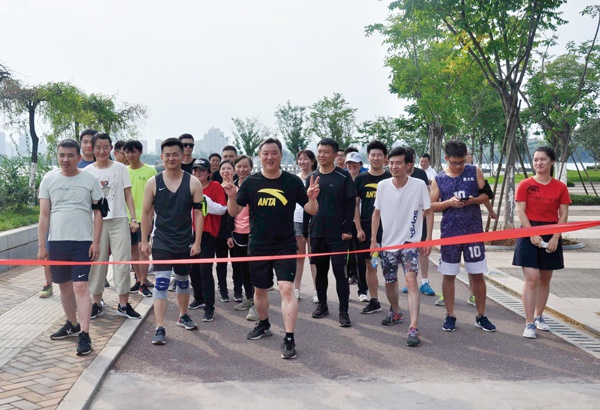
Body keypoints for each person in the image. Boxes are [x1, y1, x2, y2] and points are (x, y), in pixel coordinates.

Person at [223, 137, 319, 359]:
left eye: (274, 153)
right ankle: (264, 323)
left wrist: (313, 199)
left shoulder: (292, 182)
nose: (270, 157)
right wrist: (231, 196)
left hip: (285, 245)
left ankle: (289, 338)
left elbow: (311, 210)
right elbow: (233, 211)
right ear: (260, 157)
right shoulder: (250, 182)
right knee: (260, 290)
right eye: (265, 153)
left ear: (281, 156)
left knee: (286, 289)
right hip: (258, 245)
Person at [38, 139, 103, 355]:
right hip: (57, 242)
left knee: (81, 287)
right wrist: (42, 246)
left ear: (79, 157)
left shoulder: (91, 179)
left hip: (82, 242)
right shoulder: (48, 180)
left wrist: (95, 242)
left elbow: (99, 213)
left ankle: (84, 333)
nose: (65, 159)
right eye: (62, 155)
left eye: (70, 155)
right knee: (64, 286)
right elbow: (44, 215)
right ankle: (72, 324)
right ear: (57, 156)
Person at [141, 138, 204, 345]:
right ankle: (159, 327)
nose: (171, 158)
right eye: (167, 155)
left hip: (185, 241)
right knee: (161, 282)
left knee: (183, 281)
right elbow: (146, 213)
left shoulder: (193, 182)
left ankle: (183, 315)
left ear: (182, 156)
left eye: (175, 154)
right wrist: (144, 240)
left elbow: (199, 213)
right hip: (162, 240)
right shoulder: (153, 182)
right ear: (162, 157)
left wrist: (197, 242)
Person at [430, 140, 496, 333]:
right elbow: (432, 205)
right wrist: (449, 203)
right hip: (450, 233)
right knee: (449, 274)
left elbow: (487, 195)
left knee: (477, 274)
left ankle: (481, 316)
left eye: (461, 162)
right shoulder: (439, 179)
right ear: (446, 159)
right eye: (454, 163)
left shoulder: (474, 171)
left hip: (473, 232)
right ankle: (450, 315)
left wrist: (473, 200)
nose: (458, 166)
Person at [371, 147, 433, 347]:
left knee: (411, 280)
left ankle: (414, 327)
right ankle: (396, 311)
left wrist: (428, 238)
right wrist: (373, 240)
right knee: (390, 282)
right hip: (388, 244)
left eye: (398, 163)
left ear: (408, 165)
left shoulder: (419, 185)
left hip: (410, 242)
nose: (394, 166)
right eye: (391, 163)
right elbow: (376, 213)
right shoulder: (382, 186)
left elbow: (429, 211)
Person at [513, 146, 570, 339]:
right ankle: (529, 322)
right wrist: (531, 233)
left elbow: (563, 214)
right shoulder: (525, 185)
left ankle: (539, 316)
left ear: (552, 161)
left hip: (551, 232)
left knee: (545, 278)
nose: (539, 163)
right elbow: (520, 211)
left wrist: (555, 236)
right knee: (532, 278)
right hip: (528, 230)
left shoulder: (560, 187)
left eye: (543, 159)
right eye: (536, 159)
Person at [85, 133, 141, 320]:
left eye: (105, 147)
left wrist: (133, 219)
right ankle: (96, 303)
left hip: (119, 219)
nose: (102, 151)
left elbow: (128, 195)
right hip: (96, 222)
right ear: (92, 149)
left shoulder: (120, 168)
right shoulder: (87, 172)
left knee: (122, 261)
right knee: (97, 261)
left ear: (111, 148)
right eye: (98, 147)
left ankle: (123, 304)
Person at [306, 138, 356, 327]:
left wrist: (347, 229)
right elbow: (306, 206)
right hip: (317, 233)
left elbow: (351, 205)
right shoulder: (312, 177)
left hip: (338, 235)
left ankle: (344, 311)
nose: (321, 155)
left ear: (335, 155)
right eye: (319, 151)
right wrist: (306, 231)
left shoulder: (343, 177)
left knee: (340, 273)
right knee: (320, 272)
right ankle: (322, 305)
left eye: (326, 152)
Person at [188, 158, 227, 322]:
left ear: (209, 173)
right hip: (190, 233)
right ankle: (199, 297)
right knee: (192, 269)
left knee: (205, 270)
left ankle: (209, 307)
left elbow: (222, 209)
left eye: (202, 171)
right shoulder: (189, 185)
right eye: (195, 170)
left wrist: (205, 200)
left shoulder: (215, 186)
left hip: (207, 234)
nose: (198, 173)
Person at [355, 141, 391, 313]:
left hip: (389, 228)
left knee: (390, 265)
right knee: (370, 265)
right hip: (367, 228)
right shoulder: (360, 179)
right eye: (373, 155)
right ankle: (374, 300)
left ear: (385, 158)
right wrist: (358, 228)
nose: (376, 158)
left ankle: (394, 304)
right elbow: (355, 206)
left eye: (379, 155)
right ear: (368, 157)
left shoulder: (390, 178)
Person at [401, 147, 436, 298]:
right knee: (406, 251)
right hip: (403, 222)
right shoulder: (396, 175)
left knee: (423, 251)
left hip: (420, 219)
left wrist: (423, 213)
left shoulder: (421, 174)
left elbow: (427, 198)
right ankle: (409, 280)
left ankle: (425, 282)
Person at [124, 140, 157, 297]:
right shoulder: (124, 171)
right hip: (127, 218)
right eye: (127, 152)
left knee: (143, 250)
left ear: (140, 152)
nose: (130, 155)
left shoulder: (150, 171)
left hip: (144, 217)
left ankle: (144, 282)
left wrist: (150, 218)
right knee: (133, 251)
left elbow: (155, 197)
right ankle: (138, 279)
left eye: (133, 151)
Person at [229, 155, 256, 319]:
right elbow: (228, 211)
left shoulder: (255, 184)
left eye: (245, 166)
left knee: (254, 270)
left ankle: (256, 305)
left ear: (251, 168)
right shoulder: (231, 186)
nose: (242, 169)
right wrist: (228, 234)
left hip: (253, 234)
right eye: (238, 166)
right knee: (243, 269)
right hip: (237, 233)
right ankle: (249, 299)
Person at [294, 149, 318, 302]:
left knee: (314, 258)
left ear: (312, 161)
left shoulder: (317, 177)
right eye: (300, 159)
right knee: (299, 257)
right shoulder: (295, 179)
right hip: (297, 220)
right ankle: (296, 289)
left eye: (306, 159)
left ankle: (317, 290)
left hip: (314, 220)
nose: (303, 162)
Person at [345, 151, 367, 298]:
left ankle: (363, 290)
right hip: (344, 224)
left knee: (361, 258)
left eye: (355, 163)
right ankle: (344, 292)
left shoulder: (363, 180)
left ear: (360, 164)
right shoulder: (342, 179)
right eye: (349, 163)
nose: (352, 165)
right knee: (342, 259)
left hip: (360, 223)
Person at [215, 160, 235, 302]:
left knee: (237, 264)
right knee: (221, 263)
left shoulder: (237, 187)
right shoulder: (216, 187)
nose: (226, 171)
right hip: (219, 231)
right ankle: (223, 290)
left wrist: (230, 232)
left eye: (229, 168)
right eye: (223, 168)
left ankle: (238, 290)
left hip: (235, 231)